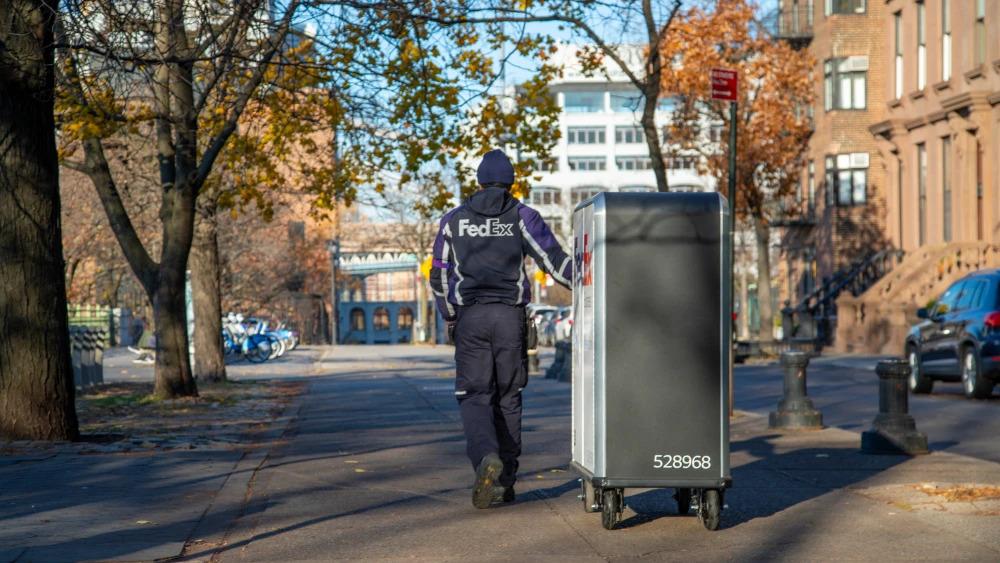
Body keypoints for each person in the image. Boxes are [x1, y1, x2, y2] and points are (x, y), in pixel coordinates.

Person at [430, 149, 572, 509]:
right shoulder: (523, 216)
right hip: (510, 318)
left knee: (475, 396)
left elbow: (438, 274)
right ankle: (506, 479)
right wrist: (594, 279)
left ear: (479, 181)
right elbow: (555, 263)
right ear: (511, 182)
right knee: (509, 396)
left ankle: (485, 459)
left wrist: (450, 315)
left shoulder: (453, 220)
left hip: (471, 318)